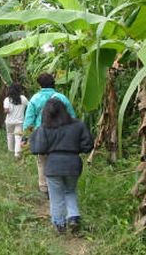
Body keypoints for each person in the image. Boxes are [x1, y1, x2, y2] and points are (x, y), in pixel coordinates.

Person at [30, 98, 94, 234]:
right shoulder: (78, 125)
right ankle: (73, 217)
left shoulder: (44, 128)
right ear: (65, 110)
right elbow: (87, 145)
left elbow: (38, 148)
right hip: (73, 164)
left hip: (53, 165)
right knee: (70, 191)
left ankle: (60, 225)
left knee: (56, 196)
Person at [23, 73, 76, 195]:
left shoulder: (35, 99)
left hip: (41, 134)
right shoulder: (62, 98)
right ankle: (59, 186)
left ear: (40, 84)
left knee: (42, 161)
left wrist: (25, 137)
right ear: (53, 83)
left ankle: (44, 188)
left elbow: (29, 120)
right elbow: (72, 117)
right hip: (60, 135)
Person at [3, 83, 28, 159]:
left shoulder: (7, 99)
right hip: (20, 121)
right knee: (18, 137)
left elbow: (6, 111)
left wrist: (8, 110)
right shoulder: (23, 98)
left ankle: (10, 150)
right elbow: (29, 106)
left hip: (9, 121)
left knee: (10, 135)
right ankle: (17, 154)